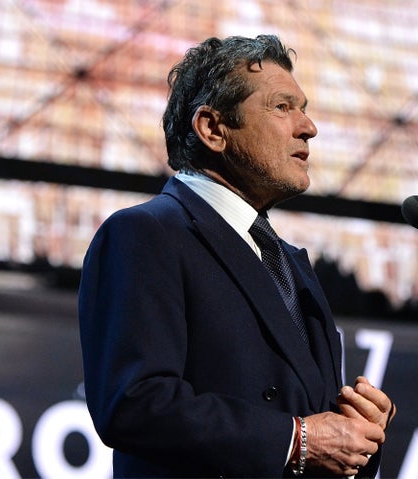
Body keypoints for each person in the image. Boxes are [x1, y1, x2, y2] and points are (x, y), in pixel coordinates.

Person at [78, 34, 396, 478]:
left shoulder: (292, 264)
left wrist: (358, 439)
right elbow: (135, 403)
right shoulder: (145, 234)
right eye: (282, 107)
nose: (308, 127)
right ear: (212, 129)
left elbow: (316, 434)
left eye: (303, 108)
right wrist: (296, 441)